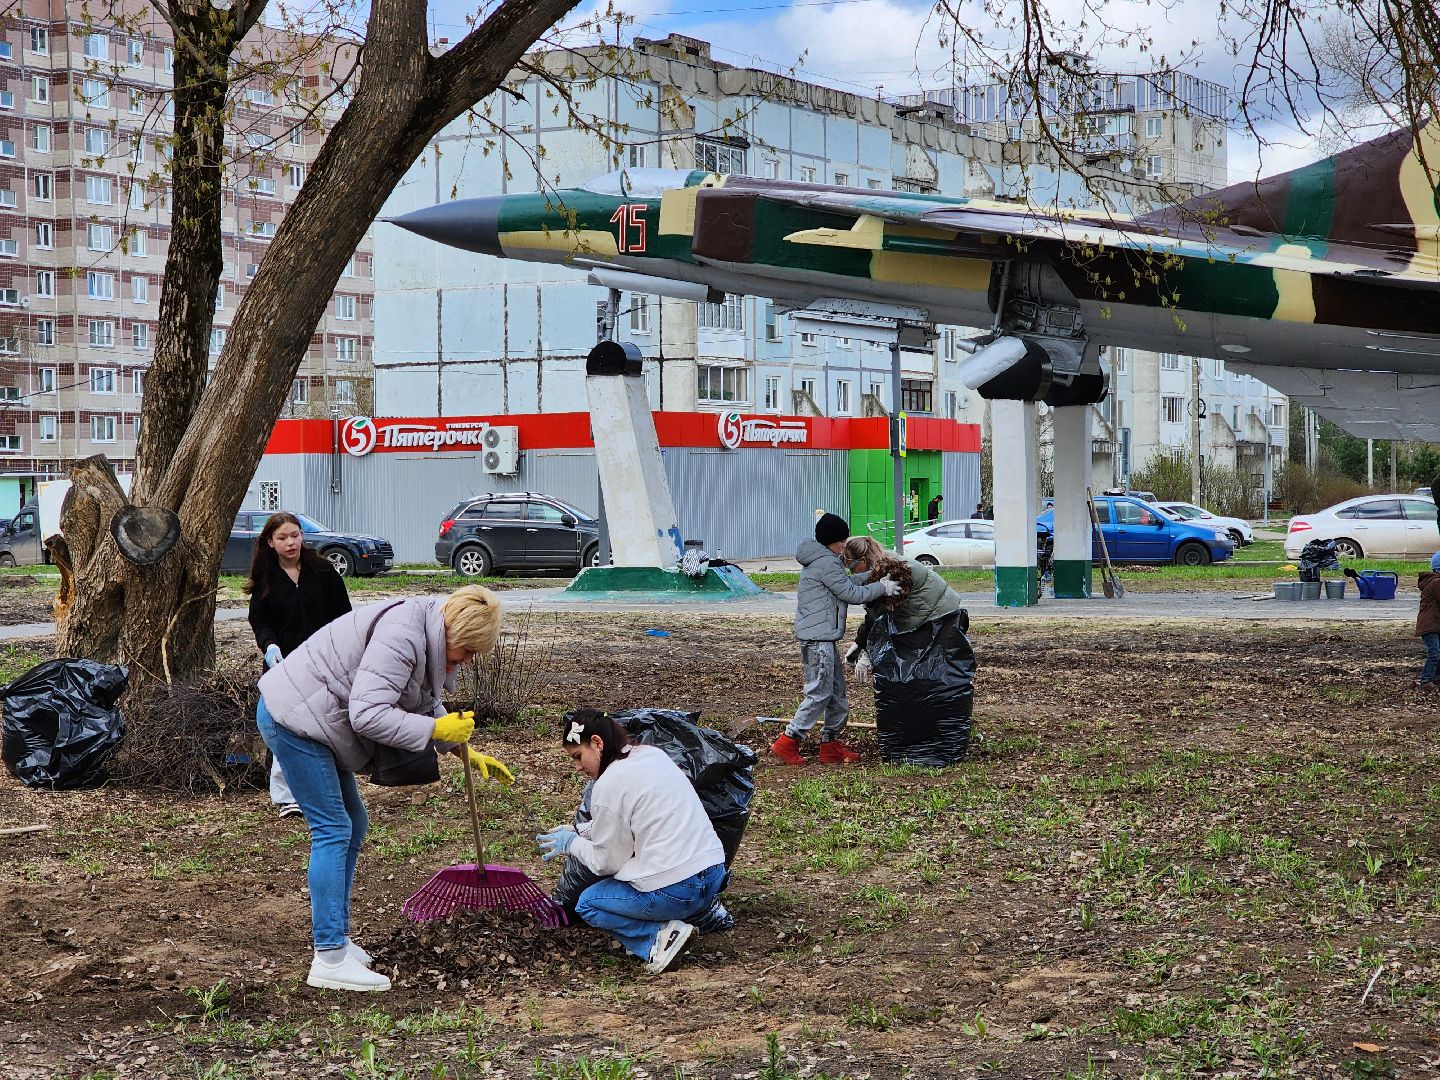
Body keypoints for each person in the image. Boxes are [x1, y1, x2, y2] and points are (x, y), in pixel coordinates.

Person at [256, 585, 515, 992]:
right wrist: (433, 730)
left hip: (315, 718)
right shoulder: (402, 635)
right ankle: (329, 958)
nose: (465, 661)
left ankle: (337, 940)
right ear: (452, 629)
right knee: (333, 829)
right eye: (466, 651)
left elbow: (421, 700)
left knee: (353, 824)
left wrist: (464, 752)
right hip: (294, 718)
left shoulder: (425, 629)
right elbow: (368, 714)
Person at [536, 709, 727, 974]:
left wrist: (571, 844)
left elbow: (605, 863)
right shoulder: (651, 754)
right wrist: (582, 831)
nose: (578, 767)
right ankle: (676, 921)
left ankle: (658, 940)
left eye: (578, 756)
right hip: (714, 874)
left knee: (588, 903)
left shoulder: (608, 784)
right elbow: (637, 817)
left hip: (681, 890)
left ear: (597, 743)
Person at [770, 513, 900, 767]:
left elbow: (846, 582)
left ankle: (830, 745)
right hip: (817, 639)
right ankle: (788, 741)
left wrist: (872, 576)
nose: (844, 546)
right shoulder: (826, 563)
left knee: (837, 693)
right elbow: (849, 592)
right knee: (819, 691)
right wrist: (882, 588)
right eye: (841, 541)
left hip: (823, 638)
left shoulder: (824, 560)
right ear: (831, 541)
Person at [247, 512, 353, 819]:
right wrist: (270, 647)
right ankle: (285, 796)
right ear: (270, 542)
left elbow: (343, 617)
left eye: (295, 535)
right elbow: (261, 622)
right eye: (282, 538)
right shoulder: (265, 579)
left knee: (322, 725)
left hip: (323, 665)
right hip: (284, 667)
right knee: (285, 725)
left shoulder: (323, 571)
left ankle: (325, 787)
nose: (290, 542)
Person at [841, 535, 964, 683]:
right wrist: (859, 643)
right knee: (921, 673)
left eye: (851, 566)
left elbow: (884, 618)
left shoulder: (893, 573)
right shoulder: (880, 568)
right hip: (931, 615)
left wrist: (867, 654)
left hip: (940, 615)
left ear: (863, 560)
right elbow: (874, 614)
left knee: (936, 671)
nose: (851, 572)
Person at [1417, 552, 1440, 691]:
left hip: (1435, 624)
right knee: (1434, 652)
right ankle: (1426, 680)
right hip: (1429, 625)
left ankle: (1436, 677)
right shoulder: (1436, 583)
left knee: (1438, 652)